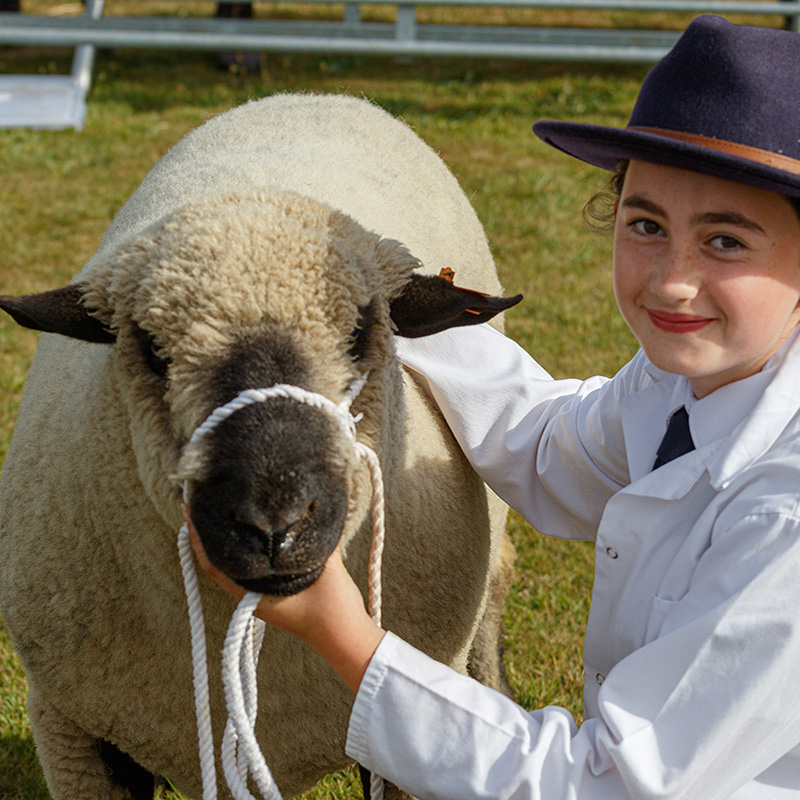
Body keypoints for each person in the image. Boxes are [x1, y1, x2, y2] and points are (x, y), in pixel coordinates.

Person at [189, 15, 800, 799]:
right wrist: (387, 308)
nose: (671, 281)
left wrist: (342, 635)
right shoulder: (693, 381)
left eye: (726, 242)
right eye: (646, 224)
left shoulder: (784, 513)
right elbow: (555, 447)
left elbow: (605, 785)